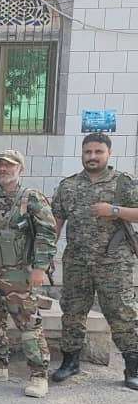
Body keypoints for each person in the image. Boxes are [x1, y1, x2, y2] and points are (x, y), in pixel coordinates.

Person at [0, 150, 57, 398]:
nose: (3, 169)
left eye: (9, 165)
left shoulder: (31, 198)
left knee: (28, 324)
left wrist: (40, 268)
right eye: (0, 165)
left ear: (20, 169)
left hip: (18, 273)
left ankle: (39, 375)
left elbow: (47, 234)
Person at [52, 133, 138, 390]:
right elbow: (56, 222)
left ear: (108, 154)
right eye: (88, 152)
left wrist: (114, 210)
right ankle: (70, 362)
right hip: (77, 262)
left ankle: (133, 367)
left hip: (114, 262)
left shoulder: (123, 183)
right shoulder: (68, 186)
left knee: (122, 312)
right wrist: (46, 255)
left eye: (98, 152)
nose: (92, 156)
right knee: (72, 312)